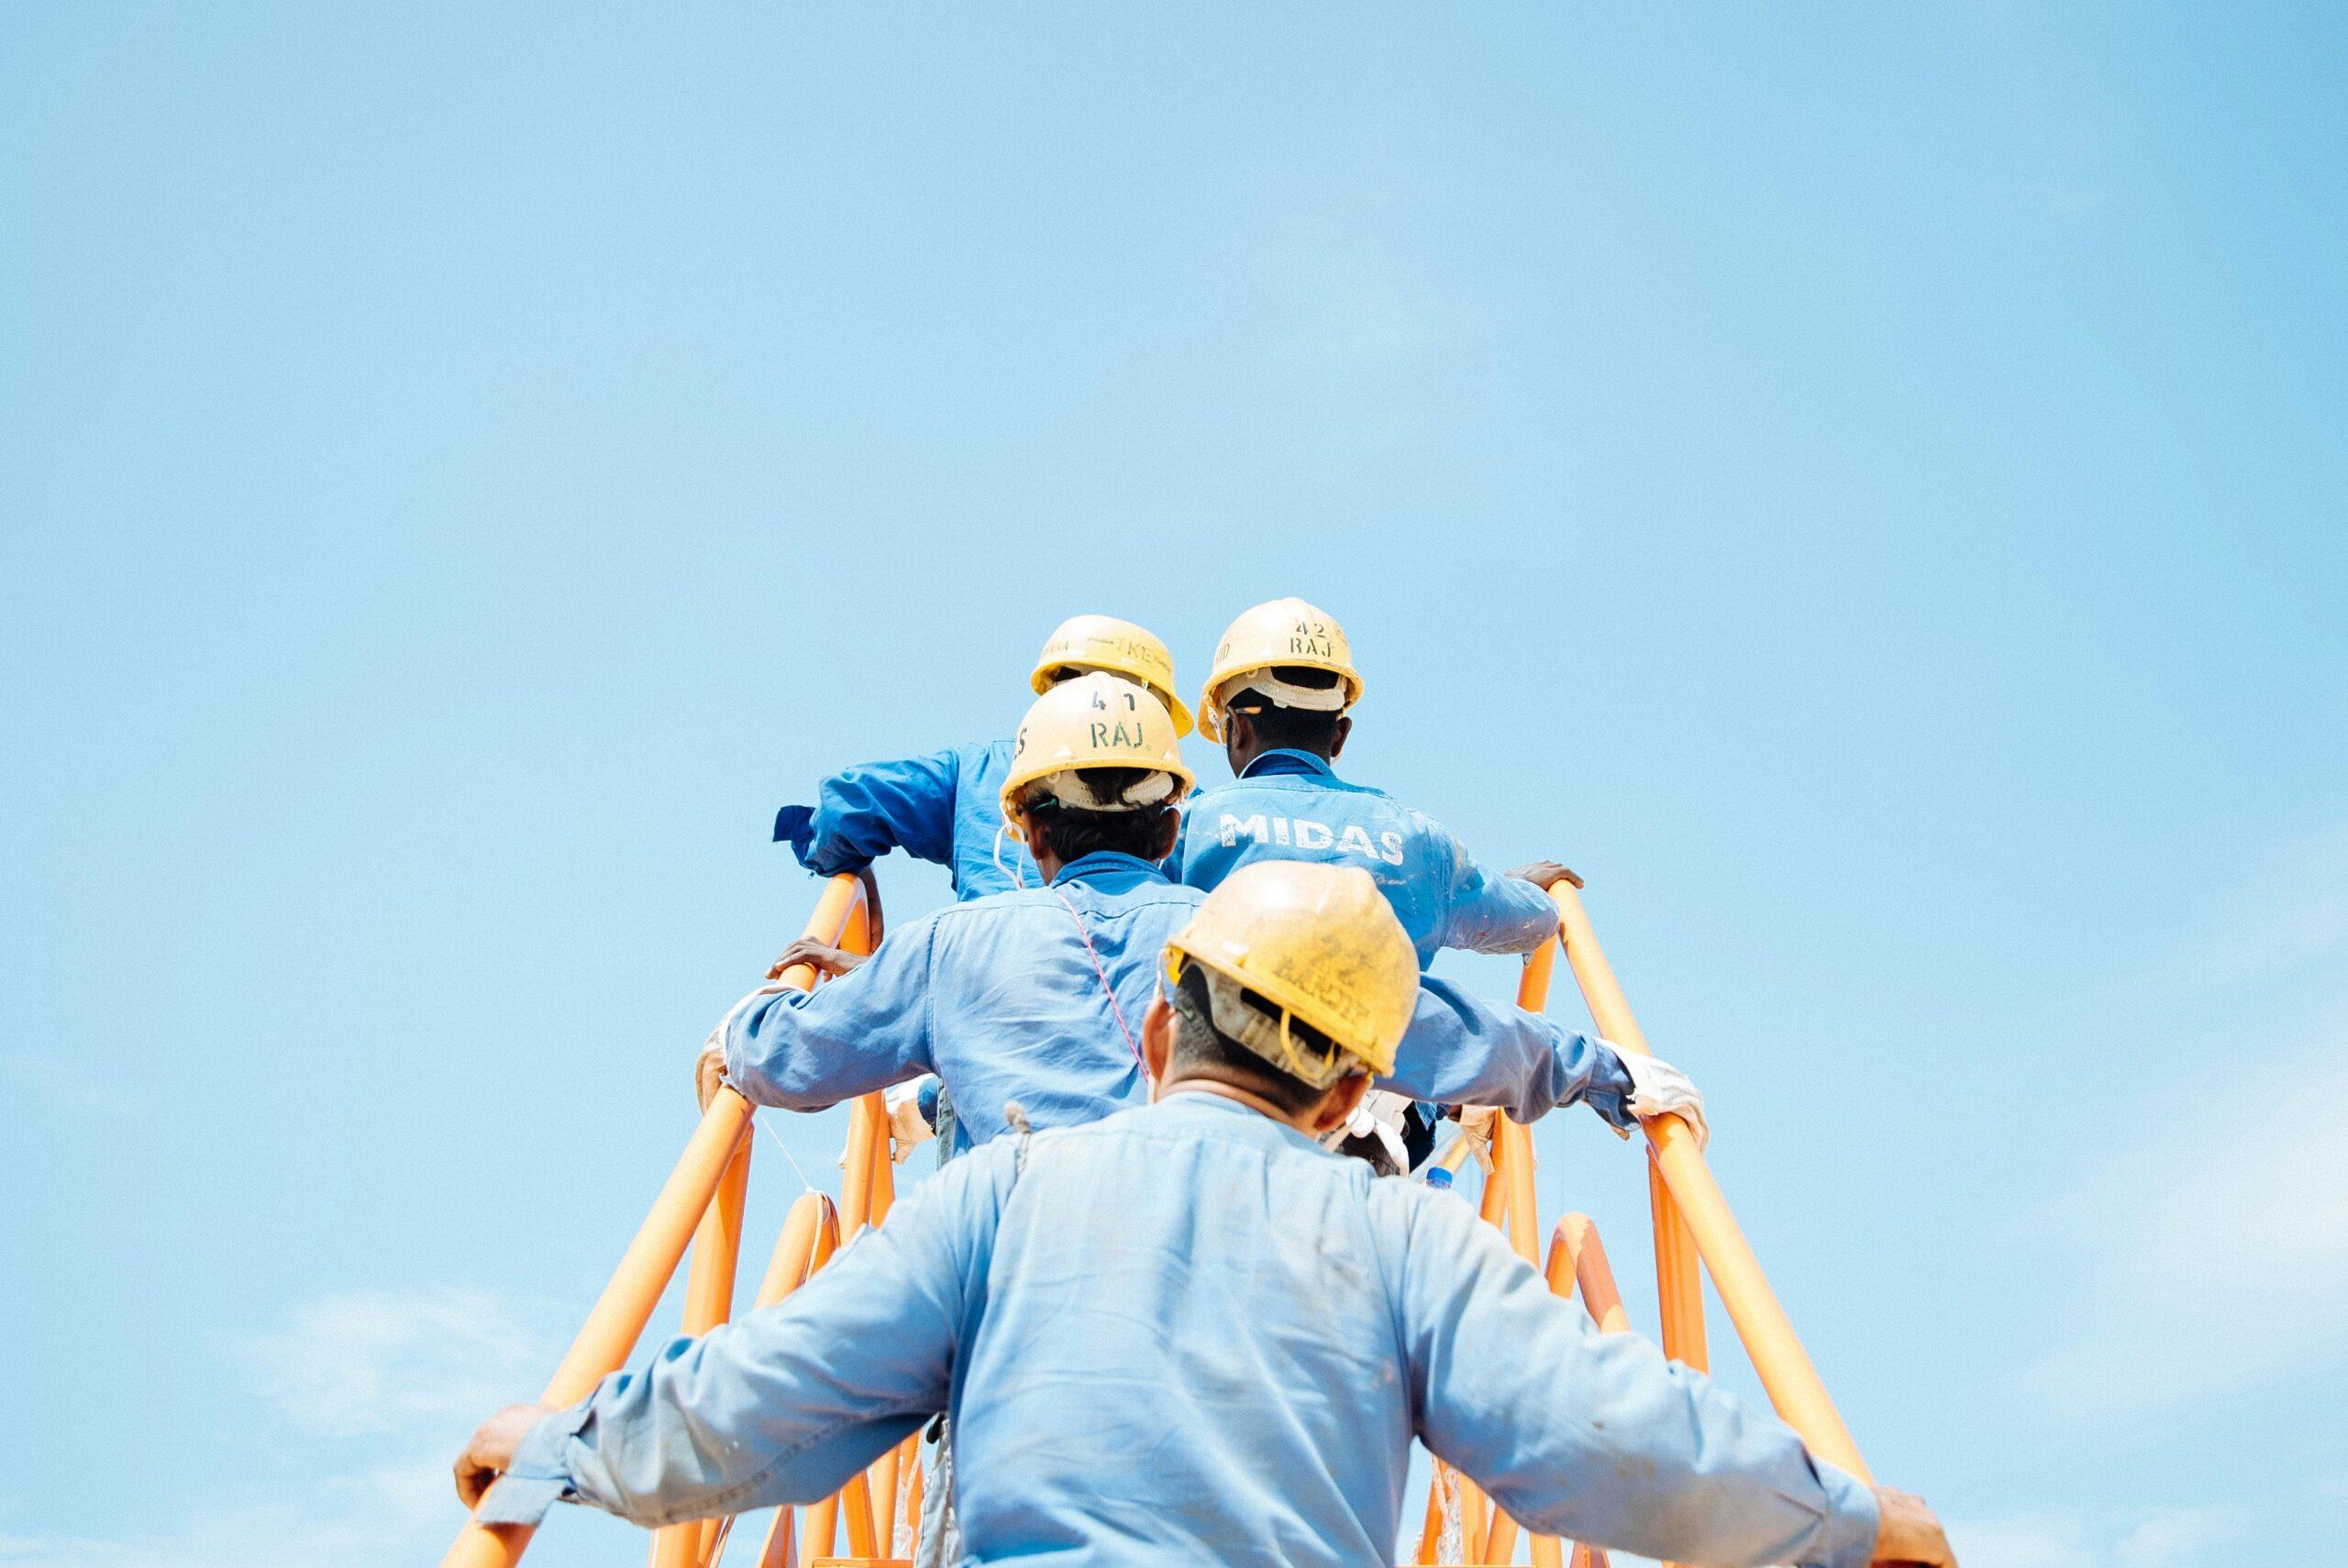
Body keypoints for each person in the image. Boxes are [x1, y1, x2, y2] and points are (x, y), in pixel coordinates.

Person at [458, 861, 1953, 1568]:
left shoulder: (997, 1198)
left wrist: (549, 1457)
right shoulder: (1410, 1239)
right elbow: (1606, 1433)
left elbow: (768, 1401)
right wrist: (1844, 1521)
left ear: (1163, 1029)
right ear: (1348, 1091)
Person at [697, 676, 1705, 1157]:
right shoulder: (1252, 936)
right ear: (1172, 811)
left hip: (1008, 1331)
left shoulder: (946, 949)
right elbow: (1436, 1025)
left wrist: (760, 1011)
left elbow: (788, 1062)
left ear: (1027, 826)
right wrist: (1601, 1070)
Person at [1176, 597, 1576, 969]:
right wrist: (1524, 889)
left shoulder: (1190, 828)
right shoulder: (1417, 839)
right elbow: (1527, 920)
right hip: (1382, 1045)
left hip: (1226, 1042)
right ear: (1339, 734)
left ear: (1238, 728)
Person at [771, 613, 1193, 901]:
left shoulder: (973, 774)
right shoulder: (1183, 804)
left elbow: (846, 808)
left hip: (979, 994)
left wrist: (849, 868)